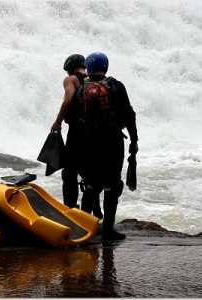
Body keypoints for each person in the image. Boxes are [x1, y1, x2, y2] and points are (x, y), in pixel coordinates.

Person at [79, 52, 139, 240]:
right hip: (113, 140)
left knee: (91, 184)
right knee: (113, 183)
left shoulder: (83, 87)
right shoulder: (115, 85)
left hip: (91, 140)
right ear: (105, 65)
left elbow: (76, 115)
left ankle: (84, 229)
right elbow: (129, 114)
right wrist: (134, 140)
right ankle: (108, 230)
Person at [51, 54, 103, 219]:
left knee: (70, 172)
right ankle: (96, 212)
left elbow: (68, 99)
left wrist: (57, 122)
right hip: (94, 132)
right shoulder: (94, 80)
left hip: (76, 131)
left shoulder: (71, 80)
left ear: (69, 67)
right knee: (90, 172)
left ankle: (70, 209)